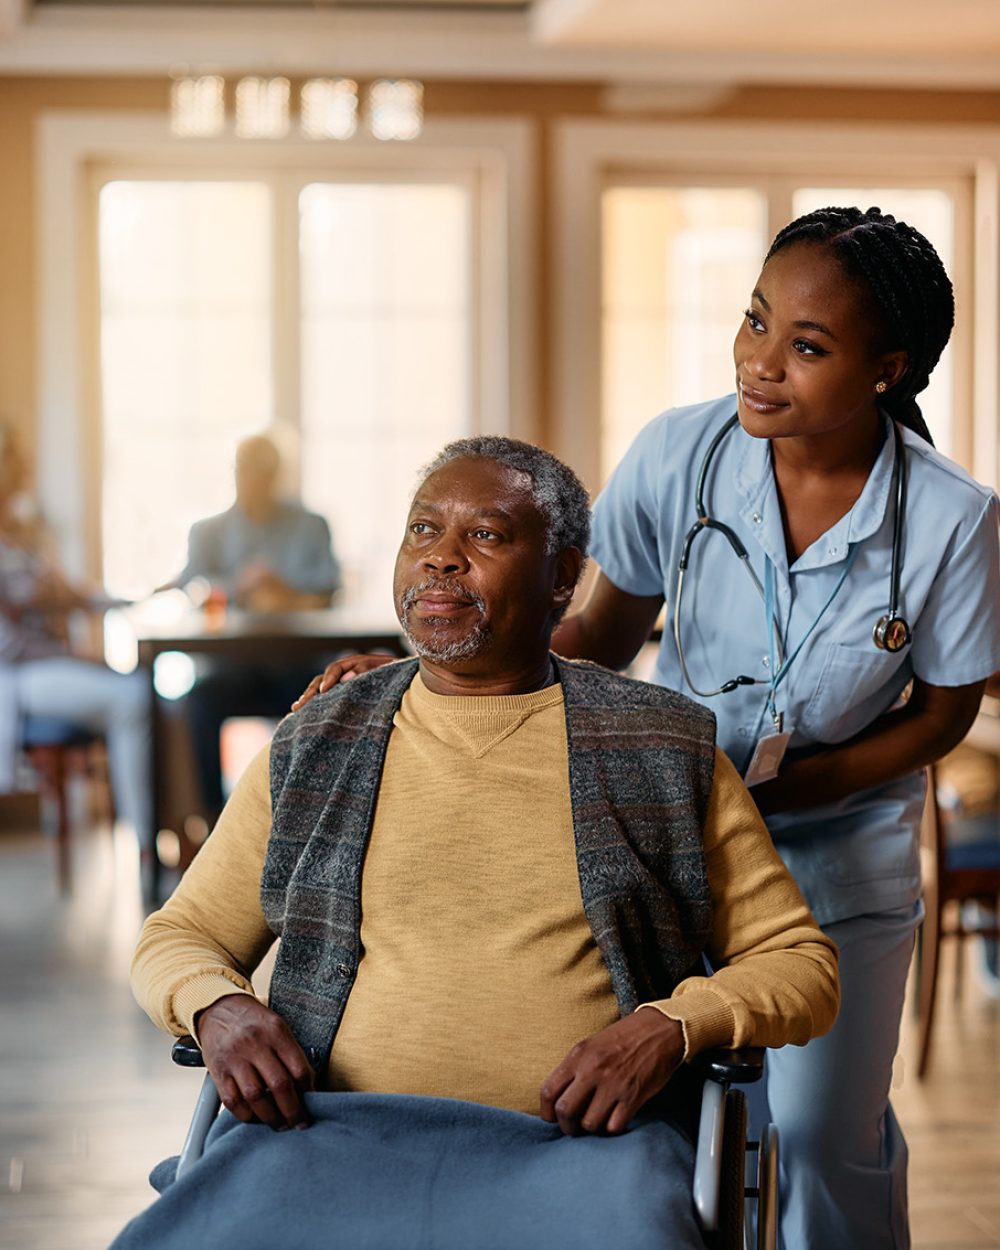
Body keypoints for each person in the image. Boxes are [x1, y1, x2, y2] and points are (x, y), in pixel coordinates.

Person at [296, 208, 1000, 1250]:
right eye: (755, 322)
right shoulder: (681, 452)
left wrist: (799, 788)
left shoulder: (950, 519)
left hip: (839, 846)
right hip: (672, 835)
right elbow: (588, 635)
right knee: (670, 1112)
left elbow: (943, 713)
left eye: (805, 347)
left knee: (816, 1136)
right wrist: (422, 674)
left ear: (888, 369)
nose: (760, 363)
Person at [121, 438, 839, 1250]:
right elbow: (177, 937)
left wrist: (668, 1026)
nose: (443, 561)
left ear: (564, 577)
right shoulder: (319, 739)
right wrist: (218, 1007)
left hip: (585, 1151)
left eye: (487, 536)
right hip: (323, 1134)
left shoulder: (660, 747)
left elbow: (800, 964)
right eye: (423, 531)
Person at [0, 418, 153, 860]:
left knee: (157, 700)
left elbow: (68, 592)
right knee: (133, 699)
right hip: (17, 676)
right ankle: (146, 843)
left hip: (45, 664)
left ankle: (179, 835)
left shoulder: (21, 533)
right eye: (16, 460)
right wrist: (74, 658)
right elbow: (8, 644)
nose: (25, 469)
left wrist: (134, 598)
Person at [168, 433, 342, 820]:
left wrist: (284, 590)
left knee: (331, 699)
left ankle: (314, 821)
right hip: (230, 667)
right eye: (246, 471)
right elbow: (193, 588)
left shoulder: (311, 525)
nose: (253, 481)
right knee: (197, 704)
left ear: (277, 475)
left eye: (263, 472)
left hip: (299, 665)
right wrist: (238, 587)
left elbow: (328, 589)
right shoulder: (207, 532)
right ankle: (211, 822)